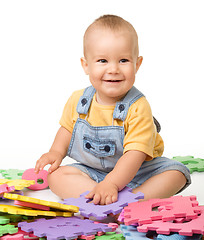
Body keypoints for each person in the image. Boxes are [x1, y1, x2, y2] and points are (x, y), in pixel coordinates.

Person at [35, 15, 191, 204]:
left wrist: (112, 183)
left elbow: (135, 153)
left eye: (123, 60)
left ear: (137, 64)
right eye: (102, 61)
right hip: (93, 173)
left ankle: (132, 201)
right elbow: (67, 129)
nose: (113, 69)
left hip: (140, 171)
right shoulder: (79, 100)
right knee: (56, 177)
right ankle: (100, 198)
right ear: (86, 65)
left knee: (177, 173)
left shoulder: (138, 107)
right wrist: (56, 152)